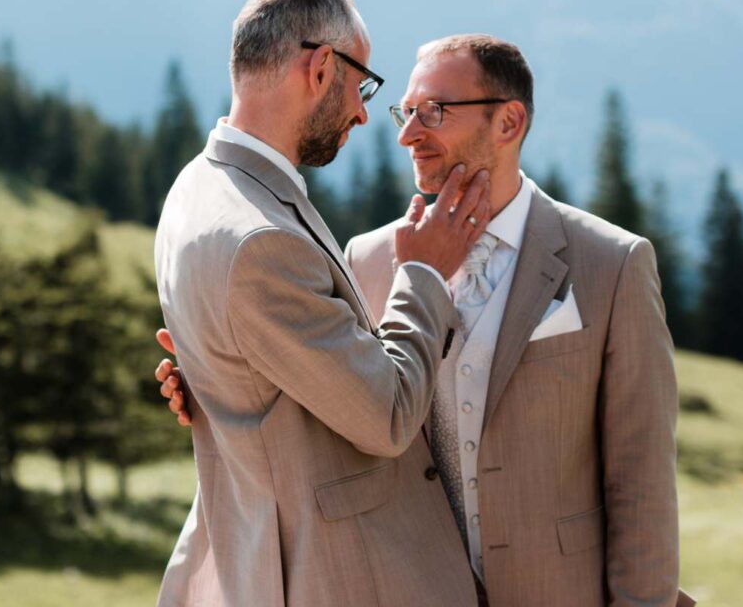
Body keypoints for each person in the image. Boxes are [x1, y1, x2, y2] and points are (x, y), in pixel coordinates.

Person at [160, 34, 692, 606]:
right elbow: (344, 399)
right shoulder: (365, 258)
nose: (407, 133)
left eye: (433, 112)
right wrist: (220, 375)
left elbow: (642, 482)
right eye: (406, 111)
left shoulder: (611, 263)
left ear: (508, 122)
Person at [152, 0, 488, 607]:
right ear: (320, 69)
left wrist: (212, 373)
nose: (365, 112)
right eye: (362, 84)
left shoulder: (196, 187)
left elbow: (247, 351)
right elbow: (387, 417)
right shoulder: (261, 240)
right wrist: (424, 271)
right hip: (329, 578)